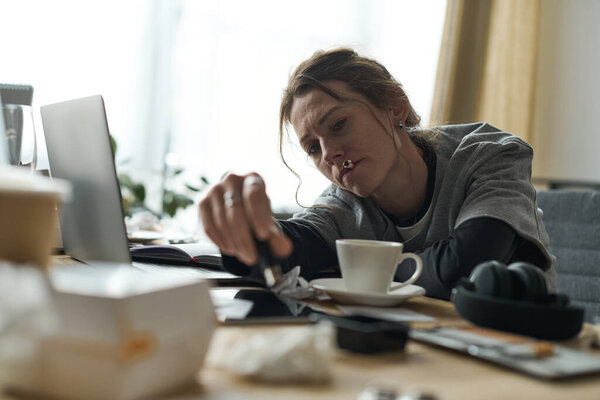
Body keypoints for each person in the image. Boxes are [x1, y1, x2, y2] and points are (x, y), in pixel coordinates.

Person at [199, 48, 556, 300]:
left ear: (394, 105)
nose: (329, 153)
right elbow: (288, 252)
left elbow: (466, 267)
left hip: (524, 353)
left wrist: (349, 271)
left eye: (338, 124)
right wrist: (245, 231)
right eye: (312, 147)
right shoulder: (343, 204)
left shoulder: (490, 154)